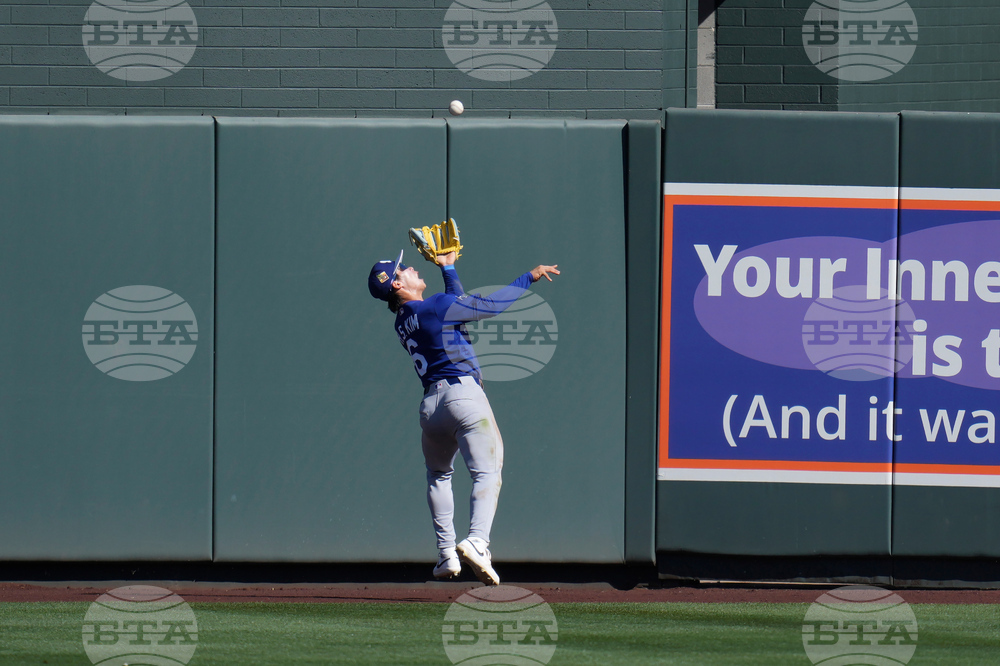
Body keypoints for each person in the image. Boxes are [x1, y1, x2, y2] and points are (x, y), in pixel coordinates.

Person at [368, 248, 559, 585]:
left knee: (438, 476)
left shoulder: (405, 320)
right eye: (403, 268)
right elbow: (486, 307)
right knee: (488, 472)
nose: (411, 267)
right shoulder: (435, 305)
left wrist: (449, 268)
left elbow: (457, 310)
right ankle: (477, 542)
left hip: (431, 407)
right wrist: (528, 277)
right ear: (396, 284)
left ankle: (445, 556)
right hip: (463, 396)